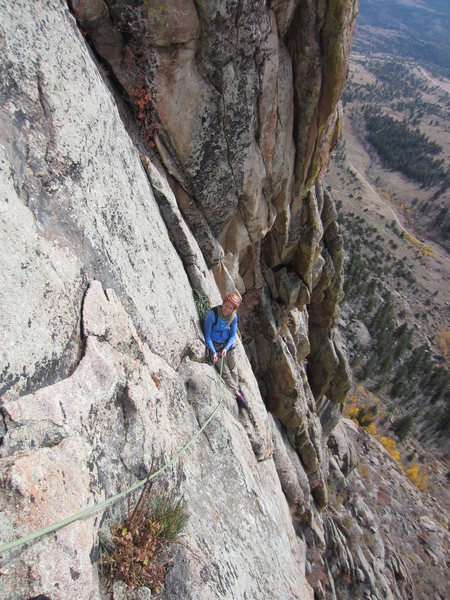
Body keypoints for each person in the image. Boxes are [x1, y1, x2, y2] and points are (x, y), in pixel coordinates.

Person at [204, 293, 249, 410]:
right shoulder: (212, 316)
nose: (227, 310)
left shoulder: (233, 317)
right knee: (225, 371)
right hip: (215, 346)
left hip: (227, 346)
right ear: (223, 303)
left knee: (233, 368)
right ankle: (238, 394)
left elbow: (233, 336)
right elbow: (207, 336)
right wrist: (213, 352)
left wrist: (226, 348)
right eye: (226, 306)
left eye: (230, 308)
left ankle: (235, 390)